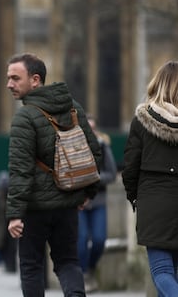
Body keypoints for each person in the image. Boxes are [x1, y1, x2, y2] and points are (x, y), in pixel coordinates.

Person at [5, 53, 101, 297]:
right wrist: (86, 194)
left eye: (16, 78)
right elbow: (94, 153)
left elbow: (20, 169)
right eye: (8, 79)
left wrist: (15, 214)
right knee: (68, 261)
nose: (9, 84)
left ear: (35, 80)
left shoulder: (24, 117)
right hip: (68, 203)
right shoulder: (73, 108)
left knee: (31, 265)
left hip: (35, 208)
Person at [122, 60, 178, 296]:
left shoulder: (142, 120)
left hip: (154, 202)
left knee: (162, 270)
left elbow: (130, 168)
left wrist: (135, 198)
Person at [77, 114, 117, 293]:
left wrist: (95, 179)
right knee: (81, 239)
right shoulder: (73, 147)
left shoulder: (102, 146)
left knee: (100, 239)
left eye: (93, 128)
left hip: (98, 200)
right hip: (79, 203)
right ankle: (84, 274)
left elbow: (112, 173)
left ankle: (91, 268)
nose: (90, 131)